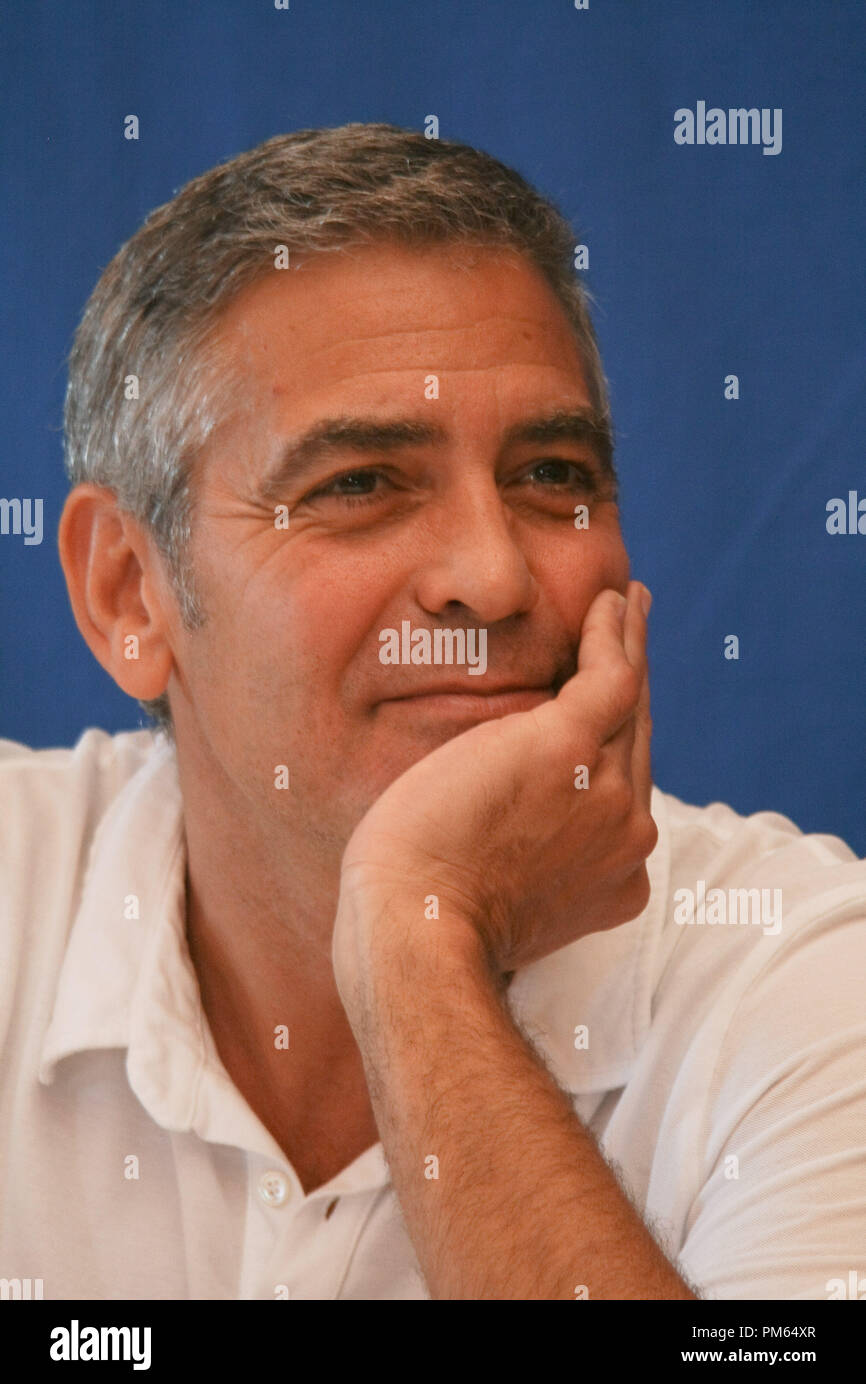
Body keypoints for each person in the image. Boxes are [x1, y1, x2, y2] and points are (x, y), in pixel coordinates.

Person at [1, 124, 864, 1302]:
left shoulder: (808, 980)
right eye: (358, 485)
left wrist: (421, 944)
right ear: (128, 593)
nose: (494, 578)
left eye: (550, 474)